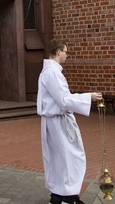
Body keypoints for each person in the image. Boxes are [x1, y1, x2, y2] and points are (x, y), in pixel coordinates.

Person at [38, 40, 103, 204]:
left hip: (56, 121)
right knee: (70, 158)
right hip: (58, 122)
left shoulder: (51, 71)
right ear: (58, 51)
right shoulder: (52, 73)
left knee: (61, 158)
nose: (67, 55)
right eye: (66, 51)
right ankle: (68, 197)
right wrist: (89, 96)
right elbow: (64, 100)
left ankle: (60, 195)